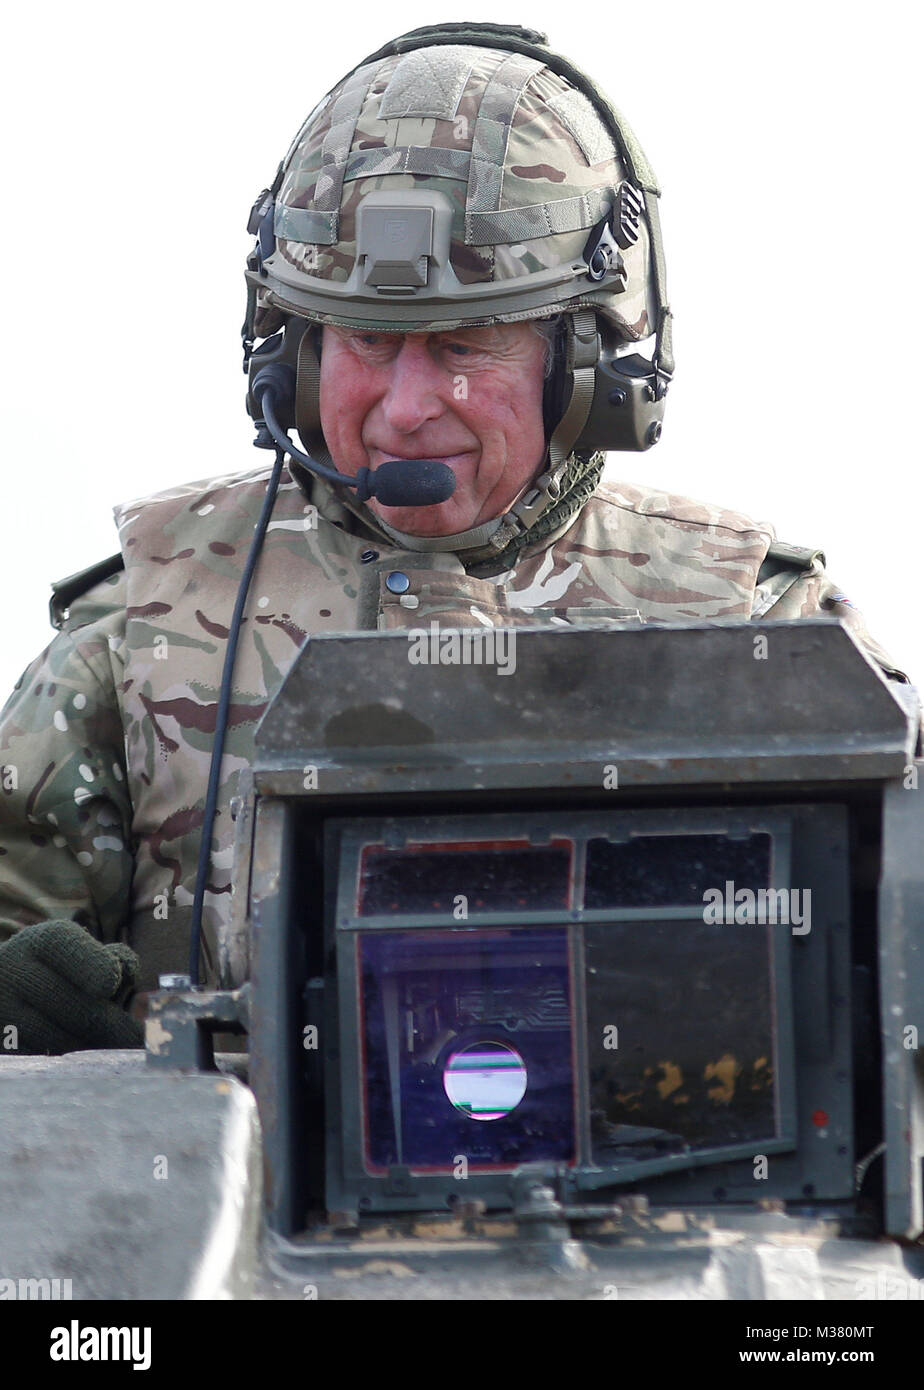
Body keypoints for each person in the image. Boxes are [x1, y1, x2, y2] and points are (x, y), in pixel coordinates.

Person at [0, 22, 910, 1054]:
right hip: (241, 1212)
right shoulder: (144, 628)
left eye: (463, 346)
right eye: (367, 342)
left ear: (586, 366)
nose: (406, 406)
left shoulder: (759, 628)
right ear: (293, 355)